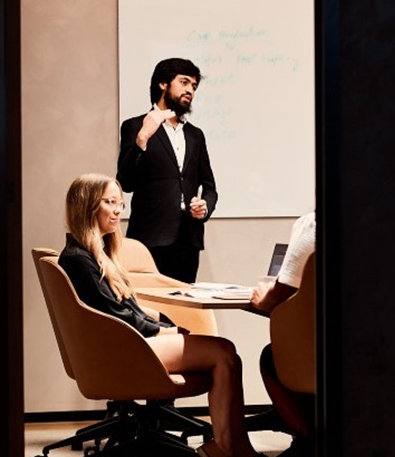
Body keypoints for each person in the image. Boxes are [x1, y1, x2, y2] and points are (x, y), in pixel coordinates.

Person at [57, 173, 262, 457]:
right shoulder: (79, 259)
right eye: (110, 202)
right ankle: (230, 448)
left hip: (129, 341)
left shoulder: (94, 254)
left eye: (120, 203)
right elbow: (117, 318)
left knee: (225, 355)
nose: (118, 210)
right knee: (223, 352)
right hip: (125, 347)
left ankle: (229, 446)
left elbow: (126, 310)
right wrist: (165, 331)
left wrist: (161, 325)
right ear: (87, 205)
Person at [117, 57, 218, 284]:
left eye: (193, 86)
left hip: (188, 240)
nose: (190, 90)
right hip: (150, 238)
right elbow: (126, 182)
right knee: (150, 311)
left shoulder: (196, 135)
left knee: (185, 312)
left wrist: (205, 207)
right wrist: (143, 137)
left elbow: (210, 188)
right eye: (184, 82)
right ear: (163, 83)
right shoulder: (135, 126)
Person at [250, 211, 316, 457]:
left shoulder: (313, 225)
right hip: (380, 351)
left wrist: (263, 297)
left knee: (272, 356)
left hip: (321, 356)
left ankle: (308, 439)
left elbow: (274, 298)